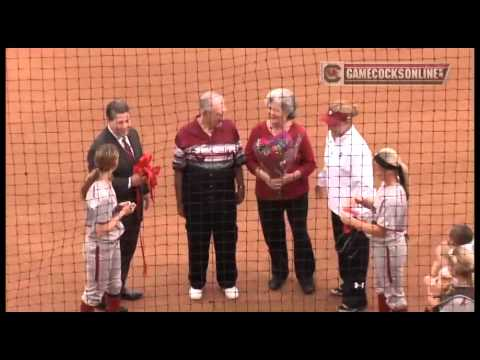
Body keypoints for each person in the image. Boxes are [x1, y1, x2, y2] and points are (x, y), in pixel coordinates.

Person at [173, 91, 245, 300]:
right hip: (196, 199)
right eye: (219, 113)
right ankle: (197, 282)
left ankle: (228, 281)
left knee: (227, 239)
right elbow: (178, 169)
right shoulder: (185, 133)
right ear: (205, 112)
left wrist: (241, 186)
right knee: (197, 241)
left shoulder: (230, 129)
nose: (223, 116)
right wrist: (180, 202)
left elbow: (238, 160)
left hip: (224, 197)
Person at [245, 88, 316, 294]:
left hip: (296, 194)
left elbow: (310, 163)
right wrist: (264, 176)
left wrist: (291, 177)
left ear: (287, 111)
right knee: (273, 235)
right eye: (269, 108)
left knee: (300, 233)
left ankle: (305, 275)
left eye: (275, 110)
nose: (270, 112)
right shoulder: (258, 130)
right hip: (266, 194)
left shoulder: (299, 132)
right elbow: (248, 158)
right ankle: (279, 272)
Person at [87, 100, 148, 301]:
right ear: (109, 121)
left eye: (127, 121)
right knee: (111, 256)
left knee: (127, 249)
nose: (124, 126)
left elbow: (140, 166)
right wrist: (131, 182)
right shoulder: (99, 146)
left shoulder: (134, 135)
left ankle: (118, 289)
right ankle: (105, 296)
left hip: (133, 207)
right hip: (111, 210)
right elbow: (99, 182)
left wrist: (144, 190)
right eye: (119, 122)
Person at [316, 103, 374, 311]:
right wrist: (320, 182)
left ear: (348, 121)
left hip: (353, 214)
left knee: (355, 257)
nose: (330, 127)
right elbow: (328, 164)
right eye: (329, 123)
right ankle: (347, 285)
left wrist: (358, 218)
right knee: (342, 251)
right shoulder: (332, 136)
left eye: (334, 124)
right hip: (336, 208)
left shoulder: (358, 149)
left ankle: (356, 300)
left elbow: (365, 187)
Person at [340, 148, 409, 312]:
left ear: (385, 169)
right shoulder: (388, 186)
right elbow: (379, 205)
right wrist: (363, 201)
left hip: (389, 249)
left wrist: (353, 222)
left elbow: (381, 231)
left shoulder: (393, 196)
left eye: (376, 166)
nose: (374, 169)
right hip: (384, 247)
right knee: (382, 287)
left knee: (394, 294)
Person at [80, 144, 136, 312]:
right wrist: (122, 214)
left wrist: (119, 207)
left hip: (112, 243)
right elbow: (101, 229)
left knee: (114, 285)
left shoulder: (105, 182)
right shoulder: (100, 192)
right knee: (94, 293)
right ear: (114, 163)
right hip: (99, 248)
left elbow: (106, 211)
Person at [427, 246, 474, 312]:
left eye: (449, 264)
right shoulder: (452, 289)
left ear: (453, 270)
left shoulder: (453, 299)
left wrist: (434, 306)